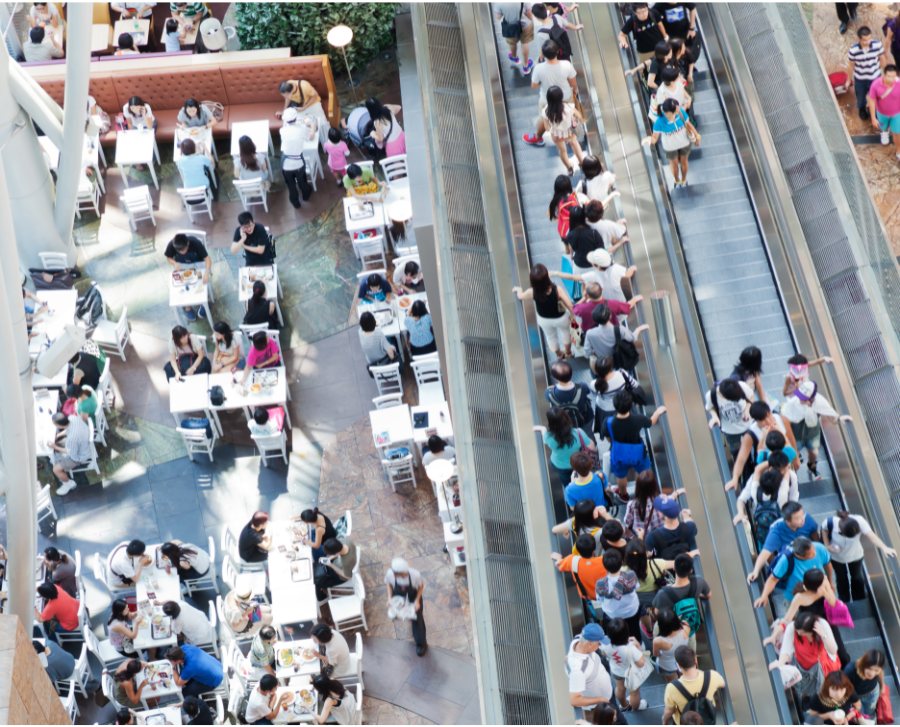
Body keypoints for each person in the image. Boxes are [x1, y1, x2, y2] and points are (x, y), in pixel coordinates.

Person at [780, 380, 851, 479]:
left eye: (803, 398)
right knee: (791, 456)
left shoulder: (820, 402)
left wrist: (839, 419)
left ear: (811, 398)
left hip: (812, 431)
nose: (800, 399)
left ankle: (812, 467)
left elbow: (830, 415)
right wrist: (794, 450)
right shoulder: (793, 403)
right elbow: (784, 419)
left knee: (813, 453)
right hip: (796, 432)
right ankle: (793, 476)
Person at [821, 510, 896, 602]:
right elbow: (824, 529)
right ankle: (844, 599)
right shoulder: (830, 522)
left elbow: (871, 535)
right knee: (841, 578)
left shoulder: (860, 521)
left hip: (855, 555)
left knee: (857, 577)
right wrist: (827, 545)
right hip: (836, 557)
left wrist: (884, 547)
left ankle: (859, 598)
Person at [604, 391, 666, 495]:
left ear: (615, 406)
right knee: (643, 472)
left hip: (618, 455)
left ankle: (623, 494)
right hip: (638, 454)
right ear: (630, 405)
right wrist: (657, 412)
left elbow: (608, 438)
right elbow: (651, 422)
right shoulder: (638, 419)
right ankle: (640, 491)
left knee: (620, 476)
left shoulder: (609, 422)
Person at [771, 612, 841, 703]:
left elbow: (833, 650)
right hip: (802, 663)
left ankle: (815, 702)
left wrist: (823, 635)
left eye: (801, 632)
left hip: (820, 665)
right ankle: (806, 699)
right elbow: (786, 651)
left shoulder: (822, 625)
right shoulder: (793, 627)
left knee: (821, 688)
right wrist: (780, 664)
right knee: (803, 686)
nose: (798, 633)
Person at [754, 536, 833, 615]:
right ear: (799, 555)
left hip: (815, 592)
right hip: (790, 596)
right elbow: (773, 579)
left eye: (813, 549)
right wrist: (764, 596)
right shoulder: (785, 560)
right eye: (810, 554)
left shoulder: (819, 548)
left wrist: (830, 582)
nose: (814, 554)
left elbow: (827, 565)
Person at [513, 262, 574, 359]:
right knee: (565, 333)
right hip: (561, 317)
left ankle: (559, 354)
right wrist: (573, 316)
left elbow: (520, 296)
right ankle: (568, 353)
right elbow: (570, 305)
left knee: (550, 337)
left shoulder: (532, 292)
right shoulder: (557, 289)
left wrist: (519, 290)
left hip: (544, 319)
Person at [523, 41, 578, 146]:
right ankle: (568, 137)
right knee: (568, 115)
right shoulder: (567, 65)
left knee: (544, 117)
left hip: (547, 99)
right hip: (566, 97)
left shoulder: (538, 68)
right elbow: (573, 83)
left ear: (543, 54)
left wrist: (543, 84)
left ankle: (537, 137)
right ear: (557, 52)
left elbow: (533, 85)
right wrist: (574, 91)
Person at [641, 98, 700, 189]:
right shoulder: (659, 122)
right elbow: (655, 138)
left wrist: (696, 135)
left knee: (684, 162)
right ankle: (677, 180)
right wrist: (649, 139)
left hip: (684, 142)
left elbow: (688, 124)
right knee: (674, 165)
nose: (678, 110)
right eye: (675, 110)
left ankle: (684, 179)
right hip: (670, 147)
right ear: (669, 113)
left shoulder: (680, 113)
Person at [662, 646, 725, 725]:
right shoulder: (712, 676)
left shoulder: (672, 687)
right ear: (695, 660)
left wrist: (665, 722)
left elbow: (669, 711)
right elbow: (723, 684)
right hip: (708, 719)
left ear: (678, 665)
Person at [652, 554, 710, 638]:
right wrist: (698, 595)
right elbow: (708, 595)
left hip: (670, 630)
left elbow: (656, 613)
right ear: (690, 570)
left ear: (674, 568)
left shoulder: (663, 593)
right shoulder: (699, 581)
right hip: (689, 628)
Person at [534, 407, 594, 484]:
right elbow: (592, 447)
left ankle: (568, 488)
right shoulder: (578, 433)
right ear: (566, 418)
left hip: (559, 465)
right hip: (577, 463)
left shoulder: (548, 437)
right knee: (579, 477)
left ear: (550, 423)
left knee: (566, 482)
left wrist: (542, 428)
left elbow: (544, 435)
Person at [552, 533, 608, 615]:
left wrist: (558, 558)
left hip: (588, 596)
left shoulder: (572, 561)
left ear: (578, 550)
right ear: (593, 550)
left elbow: (559, 565)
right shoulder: (603, 561)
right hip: (606, 594)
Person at [557, 248, 637, 304]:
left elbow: (573, 277)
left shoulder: (593, 275)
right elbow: (627, 274)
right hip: (622, 302)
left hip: (608, 305)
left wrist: (557, 273)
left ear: (597, 266)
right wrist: (632, 269)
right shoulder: (617, 268)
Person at [601, 618, 649, 711]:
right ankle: (636, 707)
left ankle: (624, 706)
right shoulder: (631, 647)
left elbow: (604, 653)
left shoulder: (605, 645)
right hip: (632, 674)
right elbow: (641, 663)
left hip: (617, 671)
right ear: (627, 633)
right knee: (634, 692)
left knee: (620, 689)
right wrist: (638, 646)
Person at [594, 550, 642, 640]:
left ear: (604, 566)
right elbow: (637, 587)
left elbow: (599, 599)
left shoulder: (601, 583)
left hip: (612, 614)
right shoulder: (631, 575)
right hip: (631, 611)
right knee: (634, 631)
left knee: (614, 636)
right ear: (622, 562)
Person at [566, 623, 614, 713]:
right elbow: (574, 700)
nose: (600, 646)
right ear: (589, 644)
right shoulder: (578, 670)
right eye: (599, 643)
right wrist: (600, 699)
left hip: (606, 693)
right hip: (600, 706)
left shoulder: (579, 639)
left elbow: (566, 659)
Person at [164, 232, 212, 321]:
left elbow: (207, 259)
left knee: (201, 283)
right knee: (181, 286)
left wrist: (207, 272)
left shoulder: (196, 243)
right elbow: (168, 257)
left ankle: (204, 302)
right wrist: (175, 263)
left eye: (184, 249)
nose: (182, 252)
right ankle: (187, 307)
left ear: (188, 244)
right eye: (179, 251)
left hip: (198, 264)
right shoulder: (172, 244)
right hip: (182, 265)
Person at [385, 557, 427, 656]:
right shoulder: (390, 574)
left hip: (413, 596)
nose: (405, 575)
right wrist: (389, 598)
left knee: (417, 618)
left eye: (405, 573)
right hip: (398, 595)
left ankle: (421, 644)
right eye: (403, 574)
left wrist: (417, 601)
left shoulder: (415, 575)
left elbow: (421, 587)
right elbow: (388, 584)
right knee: (400, 612)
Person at [705, 376, 754, 459]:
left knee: (755, 450)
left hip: (749, 426)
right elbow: (710, 407)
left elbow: (751, 397)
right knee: (737, 454)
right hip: (730, 431)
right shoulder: (711, 395)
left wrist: (747, 409)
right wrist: (715, 417)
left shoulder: (741, 386)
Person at [624, 472, 684, 537]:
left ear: (638, 487)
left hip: (643, 536)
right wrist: (677, 493)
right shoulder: (661, 499)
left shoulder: (632, 504)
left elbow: (627, 521)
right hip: (660, 535)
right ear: (654, 486)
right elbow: (669, 500)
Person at [47, 412, 92, 496]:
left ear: (59, 425)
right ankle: (57, 459)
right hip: (83, 441)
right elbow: (68, 429)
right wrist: (57, 435)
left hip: (79, 456)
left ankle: (69, 484)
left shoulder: (71, 439)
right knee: (58, 445)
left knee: (55, 469)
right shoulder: (72, 417)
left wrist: (55, 447)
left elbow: (70, 453)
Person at [542, 85, 585, 174]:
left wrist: (554, 128)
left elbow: (547, 128)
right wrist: (576, 120)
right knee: (575, 145)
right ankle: (581, 163)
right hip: (569, 132)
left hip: (556, 135)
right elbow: (580, 117)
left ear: (548, 98)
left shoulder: (546, 111)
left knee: (562, 151)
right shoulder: (569, 107)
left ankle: (569, 167)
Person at [848, 26, 886, 121]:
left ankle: (875, 111)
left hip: (875, 77)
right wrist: (849, 79)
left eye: (869, 38)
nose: (868, 42)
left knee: (876, 97)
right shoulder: (853, 50)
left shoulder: (877, 45)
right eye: (865, 40)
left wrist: (881, 73)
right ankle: (862, 110)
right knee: (860, 98)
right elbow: (851, 65)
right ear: (859, 39)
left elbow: (882, 58)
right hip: (860, 79)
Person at [278, 107, 313, 209]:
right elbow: (310, 137)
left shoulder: (282, 130)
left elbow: (286, 127)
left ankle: (295, 203)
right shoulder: (302, 129)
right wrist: (312, 125)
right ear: (296, 118)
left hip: (285, 164)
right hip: (299, 163)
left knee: (291, 185)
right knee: (302, 181)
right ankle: (306, 195)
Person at [545, 360, 593, 430]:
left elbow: (547, 398)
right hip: (585, 419)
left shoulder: (549, 393)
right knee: (588, 435)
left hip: (565, 423)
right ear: (571, 373)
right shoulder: (582, 386)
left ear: (555, 378)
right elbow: (588, 392)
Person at [652, 610, 692, 684]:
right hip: (681, 660)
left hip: (667, 666)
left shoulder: (658, 641)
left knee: (673, 683)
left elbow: (656, 654)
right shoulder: (686, 627)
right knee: (682, 676)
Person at [314, 537, 358, 601]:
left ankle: (322, 597)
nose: (328, 555)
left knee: (317, 583)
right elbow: (338, 552)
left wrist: (331, 565)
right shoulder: (345, 540)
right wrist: (329, 559)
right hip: (338, 564)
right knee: (319, 566)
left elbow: (348, 576)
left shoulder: (347, 561)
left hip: (341, 577)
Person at [845, 650, 885, 720]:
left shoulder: (879, 671)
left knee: (870, 712)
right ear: (864, 664)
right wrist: (855, 700)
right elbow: (846, 687)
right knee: (860, 714)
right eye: (869, 668)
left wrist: (882, 685)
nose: (872, 673)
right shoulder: (850, 670)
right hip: (856, 695)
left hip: (873, 692)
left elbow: (881, 672)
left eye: (876, 670)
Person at [565, 207, 605, 278]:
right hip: (593, 265)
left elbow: (571, 247)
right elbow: (602, 250)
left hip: (579, 266)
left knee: (583, 284)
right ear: (584, 217)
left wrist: (571, 256)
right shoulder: (593, 233)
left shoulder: (569, 234)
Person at [496, 3, 535, 74]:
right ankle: (526, 67)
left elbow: (498, 17)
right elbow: (529, 15)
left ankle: (515, 58)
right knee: (525, 44)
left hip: (510, 27)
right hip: (525, 26)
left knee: (512, 43)